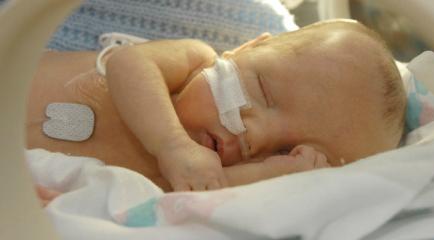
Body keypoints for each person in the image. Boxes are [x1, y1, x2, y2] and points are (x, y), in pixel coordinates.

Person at [26, 20, 406, 194]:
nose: (253, 136)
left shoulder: (187, 182)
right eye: (263, 93)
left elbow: (205, 196)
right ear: (245, 49)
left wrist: (269, 175)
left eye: (286, 151)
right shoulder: (192, 60)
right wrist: (172, 144)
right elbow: (128, 65)